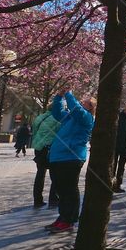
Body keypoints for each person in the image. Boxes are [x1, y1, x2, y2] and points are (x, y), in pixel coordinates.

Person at [46, 91, 95, 233]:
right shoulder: (70, 118)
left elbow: (76, 109)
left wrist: (68, 94)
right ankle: (62, 217)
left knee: (69, 190)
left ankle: (69, 220)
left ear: (91, 108)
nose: (83, 103)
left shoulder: (87, 118)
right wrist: (58, 97)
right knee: (60, 189)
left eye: (87, 103)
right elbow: (57, 112)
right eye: (83, 101)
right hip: (57, 157)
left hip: (72, 157)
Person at [31, 105, 61, 208]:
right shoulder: (58, 119)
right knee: (56, 174)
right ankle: (53, 199)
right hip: (51, 148)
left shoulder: (39, 117)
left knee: (40, 174)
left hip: (38, 148)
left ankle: (37, 200)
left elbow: (35, 132)